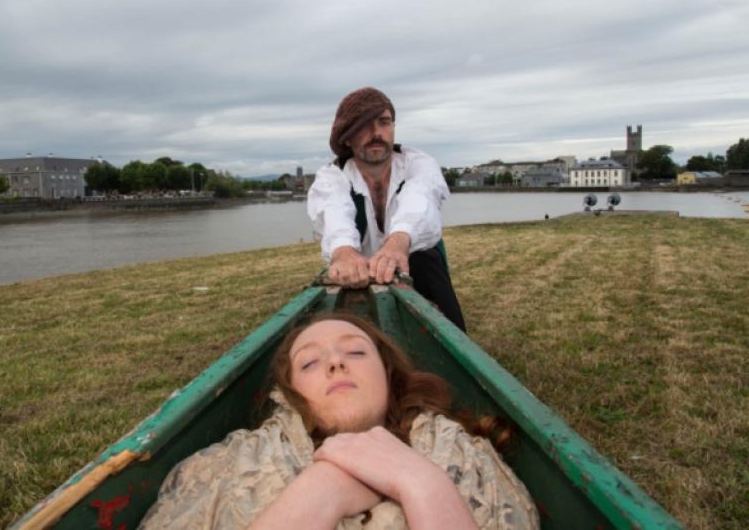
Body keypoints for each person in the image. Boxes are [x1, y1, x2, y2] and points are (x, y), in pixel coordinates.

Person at [140, 314, 538, 529]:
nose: (335, 362)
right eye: (310, 363)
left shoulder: (470, 458)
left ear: (388, 375)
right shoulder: (224, 467)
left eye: (357, 353)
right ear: (291, 393)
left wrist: (422, 482)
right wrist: (320, 492)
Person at [307, 87, 466, 331]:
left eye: (384, 122)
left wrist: (399, 242)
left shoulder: (418, 163)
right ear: (347, 138)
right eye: (364, 125)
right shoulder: (332, 176)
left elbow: (420, 196)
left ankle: (450, 335)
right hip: (360, 269)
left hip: (415, 257)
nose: (376, 133)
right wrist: (344, 250)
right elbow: (334, 209)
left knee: (427, 266)